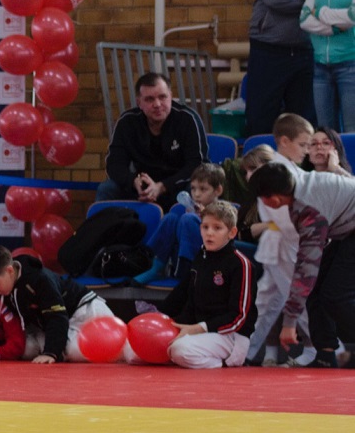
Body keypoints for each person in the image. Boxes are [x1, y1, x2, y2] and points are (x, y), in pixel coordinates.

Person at [248, 162, 355, 368]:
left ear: (273, 199)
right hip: (346, 228)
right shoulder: (294, 184)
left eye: (261, 199)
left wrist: (289, 323)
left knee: (336, 295)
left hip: (350, 228)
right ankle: (325, 355)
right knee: (316, 291)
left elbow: (306, 269)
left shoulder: (309, 210)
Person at [245, 0, 337, 136]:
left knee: (305, 122)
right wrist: (314, 6)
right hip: (269, 51)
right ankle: (259, 158)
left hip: (307, 53)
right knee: (261, 117)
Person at [0, 246, 124, 364]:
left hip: (85, 309)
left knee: (114, 345)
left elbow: (57, 317)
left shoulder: (40, 280)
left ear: (10, 271)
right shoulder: (3, 280)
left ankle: (125, 347)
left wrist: (51, 353)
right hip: (61, 323)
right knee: (28, 350)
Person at [247, 114, 318, 367]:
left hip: (288, 243)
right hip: (285, 243)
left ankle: (248, 350)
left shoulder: (291, 170)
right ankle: (316, 348)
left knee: (270, 301)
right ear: (284, 141)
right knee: (284, 299)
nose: (306, 150)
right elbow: (281, 213)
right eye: (303, 144)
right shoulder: (276, 171)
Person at [98, 72, 208, 211]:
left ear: (171, 96)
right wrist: (133, 181)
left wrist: (162, 186)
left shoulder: (187, 119)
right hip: (142, 187)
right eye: (149, 99)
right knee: (107, 188)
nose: (157, 104)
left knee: (195, 189)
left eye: (162, 97)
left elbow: (196, 166)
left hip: (177, 186)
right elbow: (114, 164)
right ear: (139, 103)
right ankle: (103, 225)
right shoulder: (127, 122)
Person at [167, 202, 257, 369]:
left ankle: (222, 364)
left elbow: (239, 317)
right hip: (200, 331)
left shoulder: (240, 264)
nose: (209, 233)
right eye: (205, 227)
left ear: (232, 233)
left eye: (217, 228)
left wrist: (198, 328)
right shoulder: (201, 258)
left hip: (230, 335)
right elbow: (191, 303)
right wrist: (172, 324)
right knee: (136, 350)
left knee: (180, 350)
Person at [300, 0, 355, 133]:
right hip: (321, 67)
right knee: (325, 131)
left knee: (351, 129)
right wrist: (334, 29)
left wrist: (320, 11)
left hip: (350, 65)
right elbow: (304, 19)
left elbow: (352, 17)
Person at [134, 162, 226, 284]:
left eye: (203, 189)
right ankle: (152, 264)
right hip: (180, 256)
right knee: (170, 218)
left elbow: (222, 239)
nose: (196, 194)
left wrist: (204, 217)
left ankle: (189, 272)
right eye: (193, 188)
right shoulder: (193, 208)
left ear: (218, 190)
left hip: (206, 260)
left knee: (188, 219)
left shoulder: (224, 210)